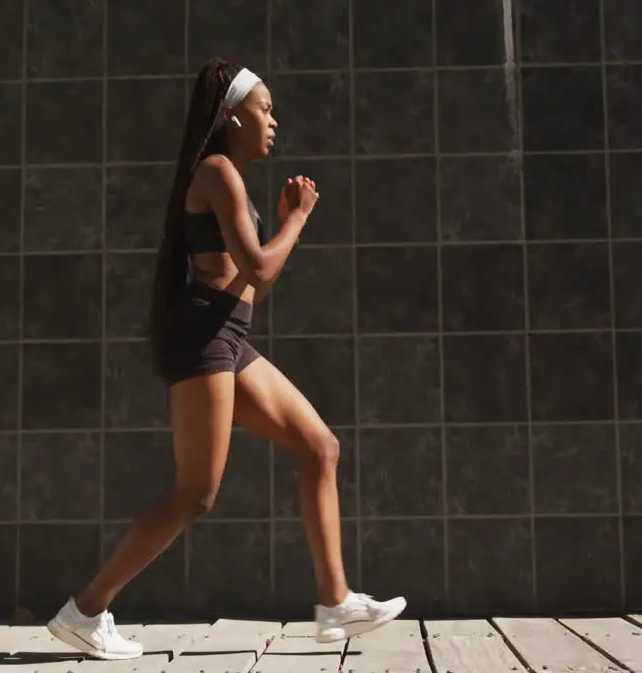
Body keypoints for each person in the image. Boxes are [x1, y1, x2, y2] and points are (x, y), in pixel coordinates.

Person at [45, 58, 406, 660]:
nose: (273, 121)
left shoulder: (226, 177)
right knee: (196, 496)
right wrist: (296, 219)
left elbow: (249, 281)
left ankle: (336, 601)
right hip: (205, 338)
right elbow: (261, 271)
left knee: (321, 447)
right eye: (264, 108)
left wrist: (282, 226)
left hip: (230, 339)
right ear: (233, 114)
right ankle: (86, 610)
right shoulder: (217, 172)